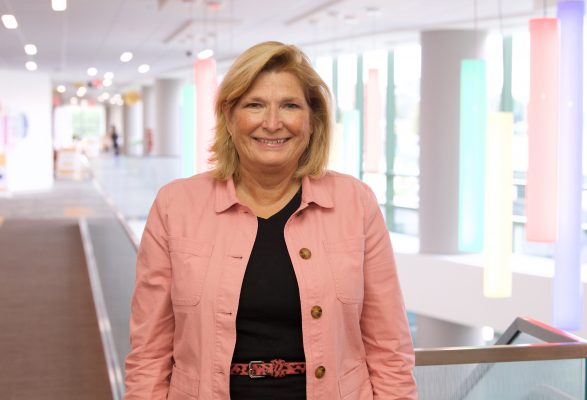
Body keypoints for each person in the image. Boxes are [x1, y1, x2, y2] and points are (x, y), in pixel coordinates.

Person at [124, 41, 417, 400]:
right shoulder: (175, 205)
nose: (273, 123)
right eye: (255, 105)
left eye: (290, 105)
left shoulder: (356, 203)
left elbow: (389, 348)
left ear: (313, 120)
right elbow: (149, 352)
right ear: (229, 117)